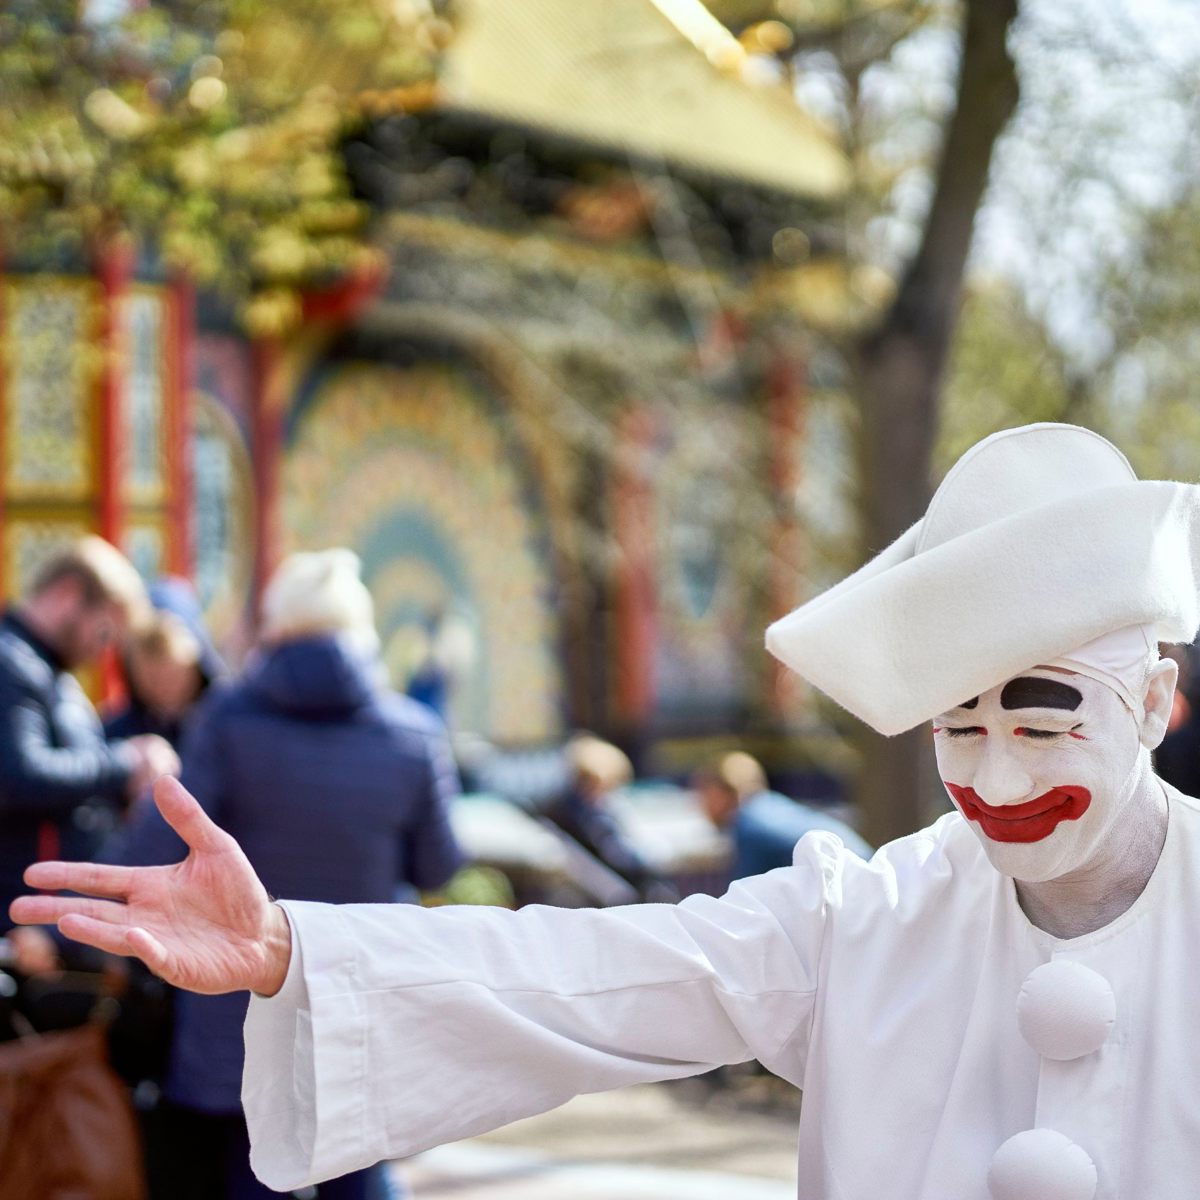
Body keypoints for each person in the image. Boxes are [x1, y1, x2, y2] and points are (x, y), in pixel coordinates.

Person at [14, 424, 1200, 1199]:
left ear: (1154, 702)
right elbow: (600, 971)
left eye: (1046, 726)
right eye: (960, 727)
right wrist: (294, 950)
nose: (997, 777)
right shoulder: (868, 916)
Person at [94, 548, 466, 1200]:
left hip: (238, 1005)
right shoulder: (413, 734)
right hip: (357, 993)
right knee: (360, 1162)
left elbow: (153, 846)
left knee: (253, 1166)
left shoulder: (228, 724)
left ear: (278, 628)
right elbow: (439, 863)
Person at [0, 536, 179, 937]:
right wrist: (128, 761)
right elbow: (19, 775)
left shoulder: (46, 672)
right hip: (23, 928)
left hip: (48, 923)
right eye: (103, 635)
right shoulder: (11, 664)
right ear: (68, 594)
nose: (102, 653)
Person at [692, 750, 871, 879]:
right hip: (866, 875)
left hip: (851, 888)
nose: (700, 803)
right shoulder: (769, 804)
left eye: (703, 792)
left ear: (720, 793)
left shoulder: (748, 826)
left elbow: (742, 906)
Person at [544, 734, 678, 901]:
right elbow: (620, 855)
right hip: (610, 896)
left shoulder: (570, 810)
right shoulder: (591, 815)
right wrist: (649, 863)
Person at [105, 576, 224, 750]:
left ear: (195, 665)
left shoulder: (229, 723)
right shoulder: (117, 738)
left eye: (172, 676)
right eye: (152, 679)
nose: (163, 688)